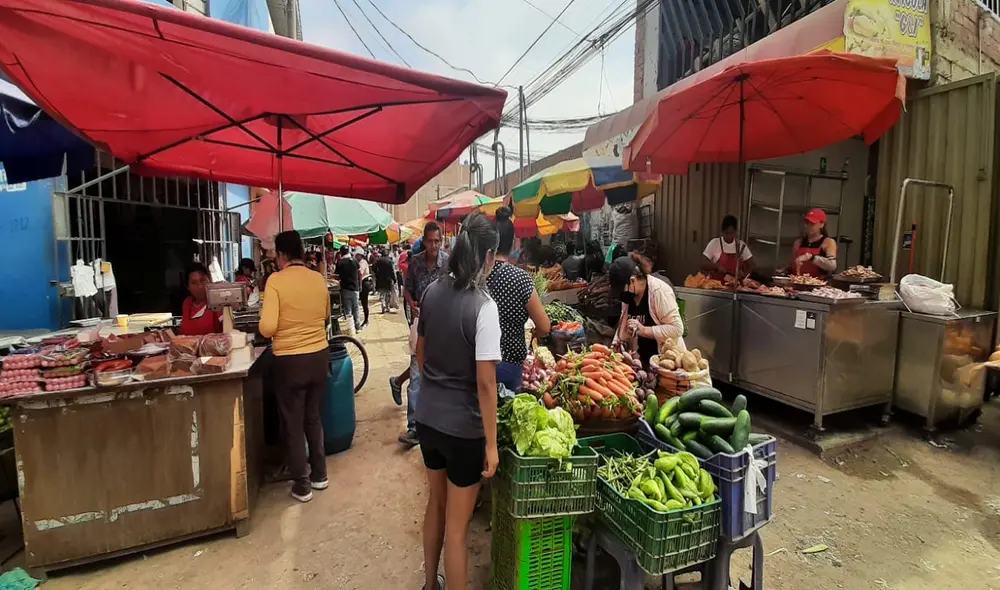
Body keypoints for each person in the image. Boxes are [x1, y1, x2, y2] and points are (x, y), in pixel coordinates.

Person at [414, 212, 501, 590]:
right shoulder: (484, 307)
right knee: (457, 529)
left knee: (436, 504)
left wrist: (435, 386)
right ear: (488, 257)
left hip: (428, 420)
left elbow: (420, 353)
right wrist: (493, 446)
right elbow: (485, 383)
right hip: (463, 432)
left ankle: (430, 585)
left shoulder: (431, 292)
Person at [257, 231, 331, 503]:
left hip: (290, 361)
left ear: (282, 255)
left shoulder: (275, 281)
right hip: (319, 356)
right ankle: (320, 474)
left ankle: (302, 484)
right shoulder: (318, 278)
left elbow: (267, 328)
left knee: (292, 422)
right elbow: (325, 316)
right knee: (312, 417)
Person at [395, 222, 448, 447]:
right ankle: (413, 428)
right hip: (420, 324)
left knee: (442, 374)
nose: (434, 245)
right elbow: (406, 289)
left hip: (444, 325)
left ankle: (439, 423)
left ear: (441, 241)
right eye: (430, 241)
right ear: (424, 241)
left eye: (437, 241)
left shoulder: (448, 263)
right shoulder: (415, 263)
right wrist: (411, 304)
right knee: (417, 375)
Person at [488, 207, 550, 391]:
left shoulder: (478, 276)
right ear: (514, 243)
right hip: (510, 367)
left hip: (479, 363)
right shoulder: (521, 279)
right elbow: (545, 327)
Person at [608, 254, 686, 369]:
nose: (620, 294)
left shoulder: (659, 292)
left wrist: (644, 330)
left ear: (632, 281)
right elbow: (623, 322)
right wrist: (615, 346)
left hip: (665, 363)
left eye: (621, 289)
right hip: (640, 363)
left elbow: (677, 329)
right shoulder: (628, 296)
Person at [702, 215, 755, 279]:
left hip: (735, 285)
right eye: (726, 233)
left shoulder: (741, 245)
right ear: (722, 231)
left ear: (736, 232)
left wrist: (744, 274)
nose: (729, 236)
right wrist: (716, 266)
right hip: (717, 285)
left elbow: (752, 265)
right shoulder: (715, 243)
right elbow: (703, 263)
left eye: (732, 233)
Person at [791, 208, 838, 279]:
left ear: (822, 224)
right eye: (807, 223)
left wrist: (811, 257)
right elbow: (793, 264)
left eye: (812, 223)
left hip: (819, 285)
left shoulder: (828, 242)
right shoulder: (798, 242)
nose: (808, 226)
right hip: (798, 283)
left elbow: (832, 266)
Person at [179, 262, 223, 336]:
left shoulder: (216, 301)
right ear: (188, 287)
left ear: (210, 280)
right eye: (194, 283)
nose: (200, 286)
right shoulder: (187, 303)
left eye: (203, 280)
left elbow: (228, 329)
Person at [335, 245, 362, 331]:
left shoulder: (340, 262)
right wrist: (360, 285)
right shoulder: (354, 261)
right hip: (355, 288)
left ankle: (350, 329)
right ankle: (357, 326)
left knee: (348, 310)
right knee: (356, 308)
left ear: (341, 252)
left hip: (345, 289)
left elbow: (337, 276)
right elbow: (359, 274)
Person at [374, 249, 396, 314]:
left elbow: (374, 268)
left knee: (382, 292)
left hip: (380, 278)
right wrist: (394, 279)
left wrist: (377, 274)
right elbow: (392, 271)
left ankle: (382, 303)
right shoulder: (390, 261)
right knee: (388, 293)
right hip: (388, 279)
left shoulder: (378, 260)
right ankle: (387, 306)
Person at [356, 248, 373, 329]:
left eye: (357, 255)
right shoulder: (360, 262)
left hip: (364, 283)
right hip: (362, 283)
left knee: (364, 302)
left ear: (360, 255)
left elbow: (361, 273)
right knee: (362, 302)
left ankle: (366, 320)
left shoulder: (362, 262)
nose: (356, 256)